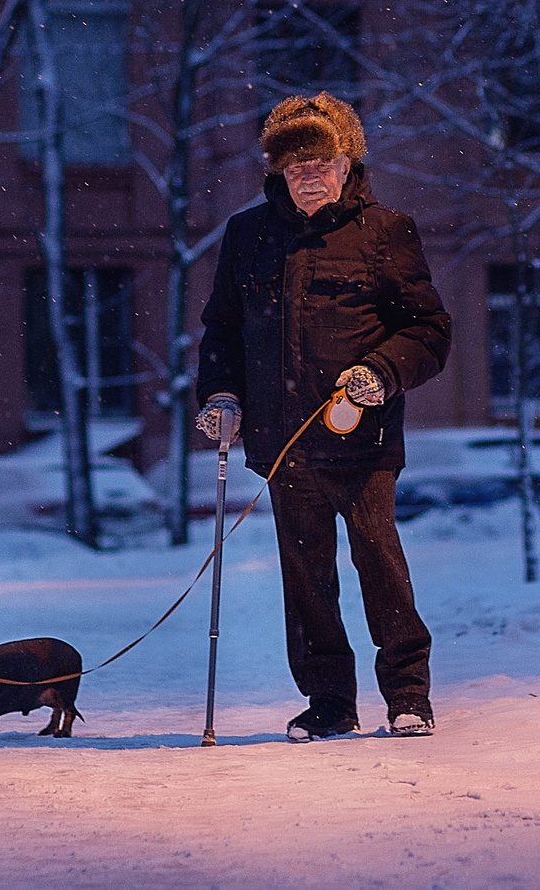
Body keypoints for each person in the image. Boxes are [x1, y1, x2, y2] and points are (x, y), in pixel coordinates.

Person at [195, 91, 452, 740]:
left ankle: (408, 695)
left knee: (380, 566)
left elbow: (429, 330)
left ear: (347, 164)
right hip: (284, 444)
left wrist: (381, 372)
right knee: (306, 581)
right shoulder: (247, 236)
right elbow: (222, 330)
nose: (309, 177)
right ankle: (330, 702)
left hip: (362, 440)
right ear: (278, 170)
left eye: (322, 164)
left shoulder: (385, 231)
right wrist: (222, 396)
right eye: (296, 166)